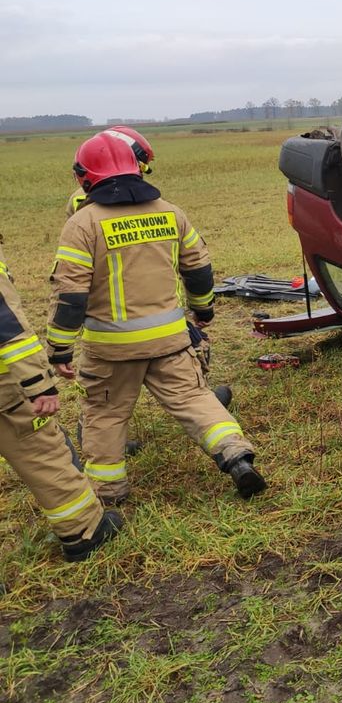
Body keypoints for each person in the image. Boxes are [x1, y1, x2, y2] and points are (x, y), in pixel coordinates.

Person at [46, 128, 266, 503]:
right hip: (170, 340)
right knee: (195, 399)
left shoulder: (81, 225)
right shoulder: (171, 213)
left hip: (111, 351)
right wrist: (204, 310)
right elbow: (199, 270)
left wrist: (59, 350)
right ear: (136, 167)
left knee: (105, 415)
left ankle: (109, 489)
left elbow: (70, 296)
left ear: (85, 177)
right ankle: (236, 456)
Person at [1, 239, 123, 561]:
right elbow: (7, 328)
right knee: (41, 451)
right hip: (5, 391)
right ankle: (84, 530)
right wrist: (37, 383)